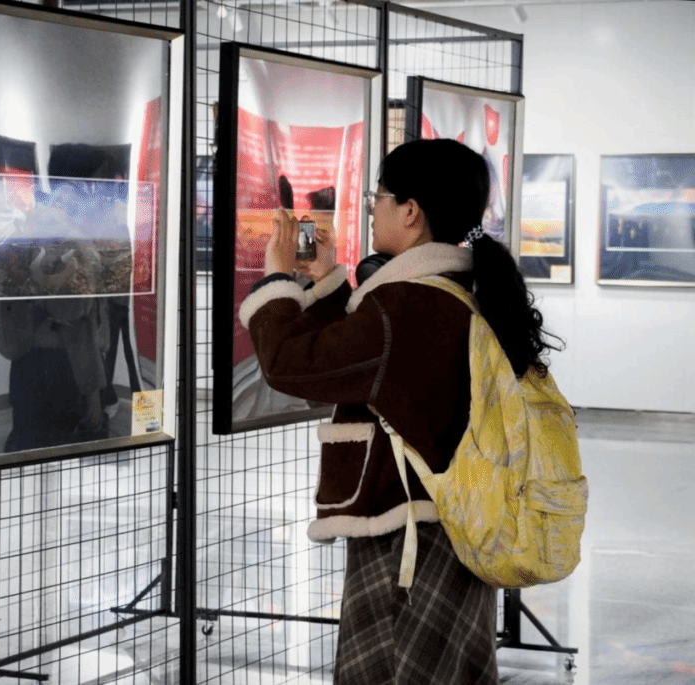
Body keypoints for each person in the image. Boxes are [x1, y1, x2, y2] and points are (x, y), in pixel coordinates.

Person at [237, 138, 562, 684]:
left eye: (379, 197)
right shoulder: (460, 289)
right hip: (457, 525)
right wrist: (328, 282)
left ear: (411, 211)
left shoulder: (405, 304)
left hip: (407, 542)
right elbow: (367, 364)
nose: (371, 209)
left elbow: (292, 365)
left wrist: (275, 281)